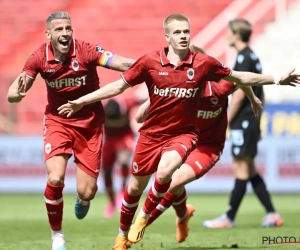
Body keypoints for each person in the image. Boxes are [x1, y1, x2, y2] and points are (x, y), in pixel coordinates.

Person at [57, 14, 299, 250]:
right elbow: (121, 87)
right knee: (134, 189)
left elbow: (239, 78)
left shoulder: (206, 68)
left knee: (168, 175)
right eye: (178, 32)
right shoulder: (151, 63)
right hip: (152, 136)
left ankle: (142, 221)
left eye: (186, 32)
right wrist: (82, 101)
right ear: (167, 37)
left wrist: (276, 80)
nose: (183, 36)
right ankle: (146, 227)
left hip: (189, 138)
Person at [6, 11, 135, 250]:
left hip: (90, 125)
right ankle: (58, 236)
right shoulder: (39, 57)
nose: (65, 33)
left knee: (86, 193)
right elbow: (13, 92)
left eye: (68, 28)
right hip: (58, 122)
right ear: (48, 34)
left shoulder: (85, 50)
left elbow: (119, 62)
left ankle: (83, 198)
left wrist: (147, 67)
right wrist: (16, 94)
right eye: (59, 29)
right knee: (55, 177)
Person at [132, 45, 263, 244]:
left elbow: (241, 80)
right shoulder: (177, 86)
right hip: (181, 140)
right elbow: (139, 117)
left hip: (208, 147)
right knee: (169, 180)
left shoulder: (220, 86)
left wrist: (253, 99)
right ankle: (183, 216)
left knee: (174, 181)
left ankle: (139, 227)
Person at [203, 18, 284, 229]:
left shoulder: (243, 58)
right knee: (249, 169)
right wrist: (259, 119)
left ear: (237, 34)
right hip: (250, 120)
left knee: (241, 168)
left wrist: (225, 122)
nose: (226, 35)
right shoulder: (252, 56)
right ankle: (272, 214)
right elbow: (261, 91)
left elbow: (238, 95)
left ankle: (229, 217)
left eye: (229, 32)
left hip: (243, 120)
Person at [102, 96, 136, 218]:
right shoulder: (100, 108)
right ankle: (111, 202)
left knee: (123, 160)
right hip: (109, 139)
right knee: (106, 172)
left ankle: (122, 191)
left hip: (124, 136)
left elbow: (143, 99)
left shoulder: (127, 103)